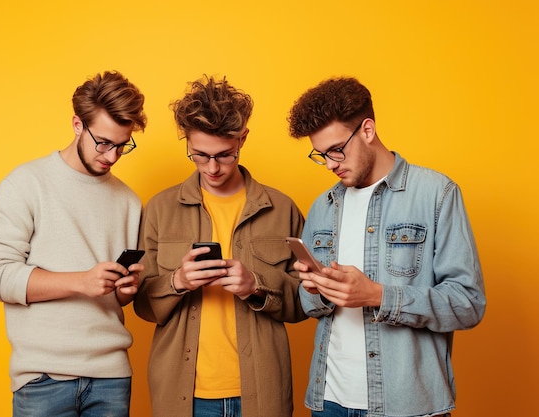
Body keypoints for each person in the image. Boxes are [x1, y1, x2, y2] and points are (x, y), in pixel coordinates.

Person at [287, 77, 486, 417]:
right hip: (328, 400)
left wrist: (377, 295)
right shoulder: (324, 206)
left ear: (367, 130)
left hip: (405, 404)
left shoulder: (436, 194)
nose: (331, 163)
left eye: (337, 150)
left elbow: (468, 304)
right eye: (321, 155)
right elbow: (310, 306)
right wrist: (315, 286)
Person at [134, 75, 307, 417]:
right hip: (182, 394)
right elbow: (141, 305)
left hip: (262, 390)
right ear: (186, 141)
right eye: (199, 155)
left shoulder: (282, 208)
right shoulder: (159, 209)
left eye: (224, 155)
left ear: (242, 139)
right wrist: (177, 282)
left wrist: (256, 287)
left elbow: (307, 303)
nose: (212, 167)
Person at [0, 70, 147, 417]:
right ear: (77, 125)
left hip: (112, 377)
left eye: (122, 145)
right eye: (103, 142)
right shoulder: (26, 184)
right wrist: (81, 282)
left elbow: (117, 299)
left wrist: (126, 290)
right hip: (43, 378)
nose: (112, 156)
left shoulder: (129, 201)